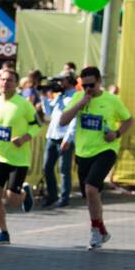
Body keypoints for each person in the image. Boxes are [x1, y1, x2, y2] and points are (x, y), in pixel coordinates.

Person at [57, 66, 133, 249]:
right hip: (83, 152)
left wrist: (116, 134)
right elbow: (62, 121)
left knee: (91, 189)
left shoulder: (112, 100)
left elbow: (128, 120)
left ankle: (94, 230)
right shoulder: (78, 98)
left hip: (106, 149)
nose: (88, 89)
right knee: (92, 195)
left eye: (91, 85)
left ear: (99, 82)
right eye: (84, 86)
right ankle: (101, 229)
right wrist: (80, 104)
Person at [0, 68, 37, 245]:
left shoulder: (24, 104)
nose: (5, 83)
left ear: (16, 84)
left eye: (9, 80)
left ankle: (23, 193)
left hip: (18, 158)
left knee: (12, 200)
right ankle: (3, 232)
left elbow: (37, 125)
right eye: (3, 80)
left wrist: (24, 138)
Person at [42, 73, 77, 208]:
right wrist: (45, 96)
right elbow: (48, 112)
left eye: (62, 81)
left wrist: (68, 138)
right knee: (47, 168)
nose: (59, 84)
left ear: (69, 81)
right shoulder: (60, 96)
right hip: (52, 135)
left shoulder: (75, 96)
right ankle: (52, 196)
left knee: (64, 169)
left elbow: (74, 119)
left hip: (64, 137)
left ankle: (64, 198)